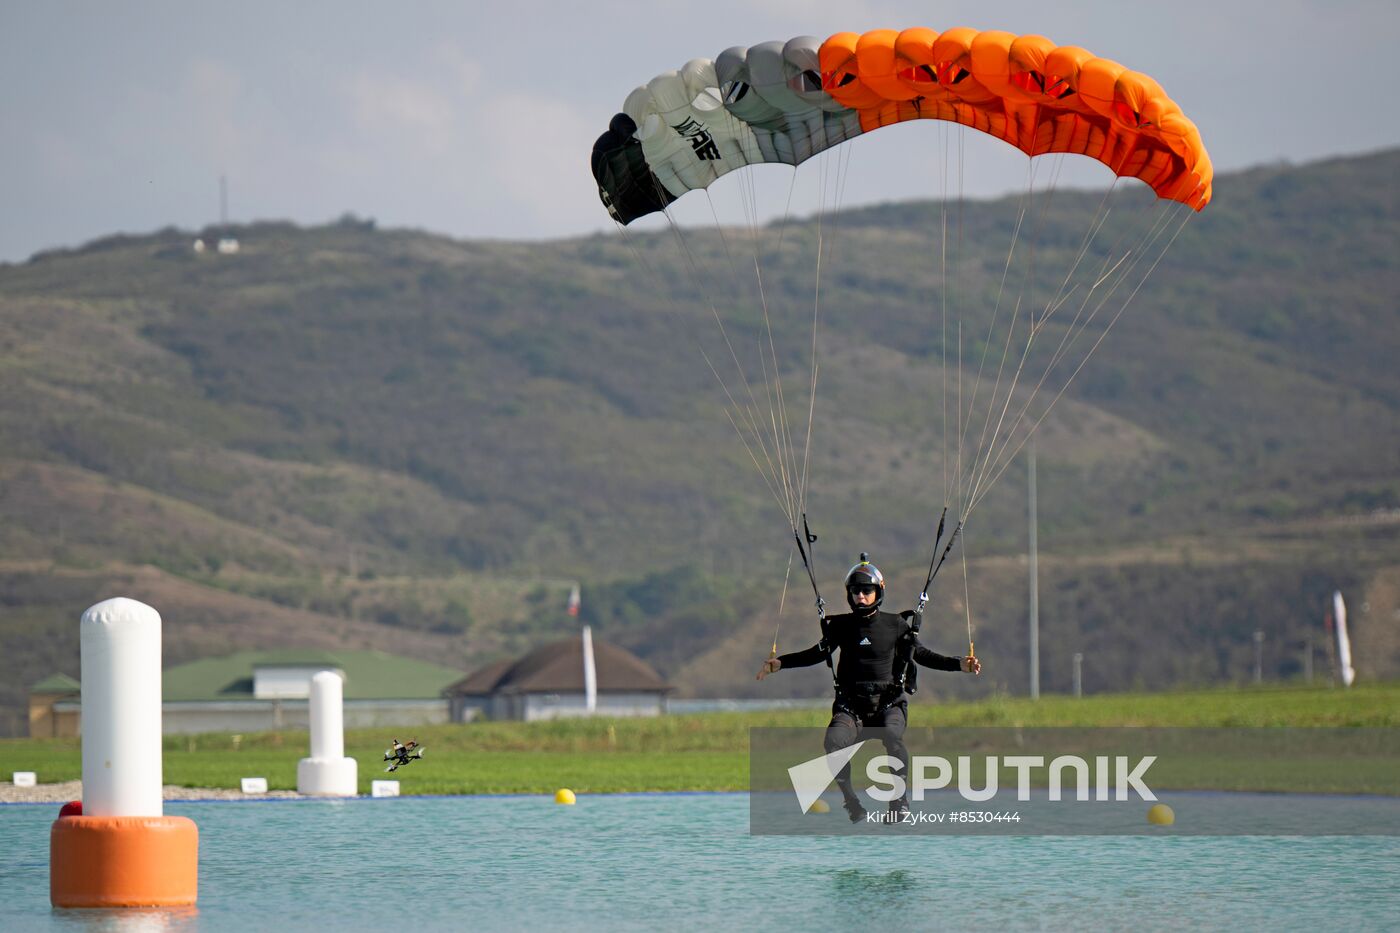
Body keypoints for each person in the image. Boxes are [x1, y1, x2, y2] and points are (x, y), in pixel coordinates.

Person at [756, 554, 981, 822]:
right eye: (855, 591)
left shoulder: (895, 624)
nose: (860, 596)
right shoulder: (840, 626)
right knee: (833, 743)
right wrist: (780, 663)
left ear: (878, 592)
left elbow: (922, 655)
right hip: (851, 708)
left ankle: (899, 802)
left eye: (866, 590)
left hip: (889, 705)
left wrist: (959, 664)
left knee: (892, 735)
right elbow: (816, 654)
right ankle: (852, 802)